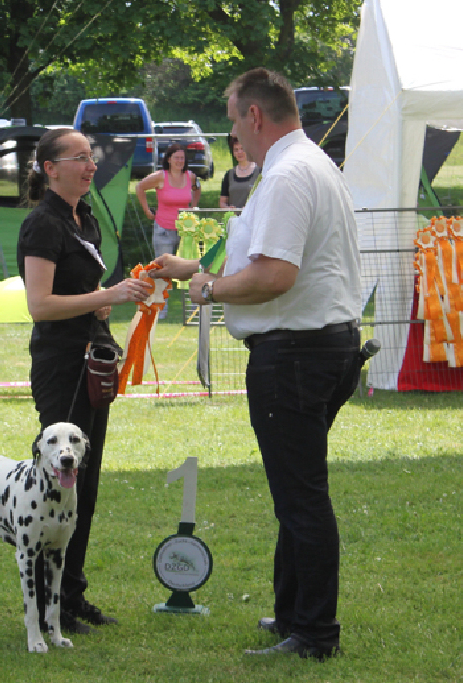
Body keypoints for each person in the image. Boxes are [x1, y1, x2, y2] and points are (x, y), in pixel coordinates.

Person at [150, 68, 362, 661]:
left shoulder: (290, 175)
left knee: (301, 498)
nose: (233, 136)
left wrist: (210, 292)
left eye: (234, 122)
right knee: (295, 494)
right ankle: (295, 615)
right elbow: (266, 260)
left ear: (256, 117)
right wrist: (198, 272)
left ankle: (315, 634)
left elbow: (274, 276)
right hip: (321, 346)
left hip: (296, 354)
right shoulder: (310, 165)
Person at [17, 128, 153, 634]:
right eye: (79, 158)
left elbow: (91, 289)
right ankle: (49, 606)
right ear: (51, 168)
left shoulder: (85, 217)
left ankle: (70, 597)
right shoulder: (42, 224)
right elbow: (41, 305)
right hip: (61, 366)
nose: (90, 165)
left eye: (91, 157)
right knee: (58, 484)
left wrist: (123, 291)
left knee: (85, 488)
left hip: (93, 359)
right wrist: (108, 297)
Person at [135, 144, 201, 318]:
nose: (180, 161)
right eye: (176, 158)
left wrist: (193, 208)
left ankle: (193, 307)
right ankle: (160, 309)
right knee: (162, 270)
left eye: (182, 158)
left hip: (185, 231)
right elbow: (139, 187)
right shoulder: (160, 177)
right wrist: (147, 210)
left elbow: (197, 189)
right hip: (163, 228)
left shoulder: (190, 177)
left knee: (190, 268)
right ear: (169, 159)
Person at [219, 136, 261, 209]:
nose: (239, 152)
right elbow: (222, 202)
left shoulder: (260, 172)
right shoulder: (229, 175)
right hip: (233, 219)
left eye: (242, 149)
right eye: (236, 150)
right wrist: (228, 209)